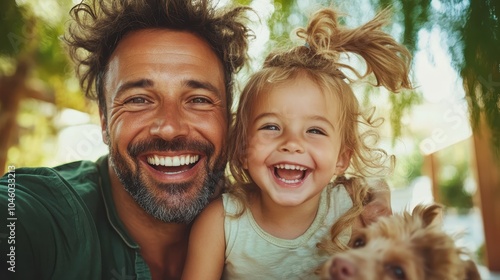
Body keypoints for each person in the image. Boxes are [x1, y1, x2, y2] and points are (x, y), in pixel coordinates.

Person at [0, 1, 391, 279]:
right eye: (138, 99)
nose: (170, 128)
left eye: (199, 99)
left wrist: (378, 198)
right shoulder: (34, 215)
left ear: (228, 123)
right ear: (104, 121)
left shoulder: (348, 214)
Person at [182, 6, 412, 280]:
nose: (292, 143)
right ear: (242, 148)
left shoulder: (352, 212)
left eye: (315, 130)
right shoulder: (221, 222)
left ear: (342, 158)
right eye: (271, 127)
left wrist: (379, 193)